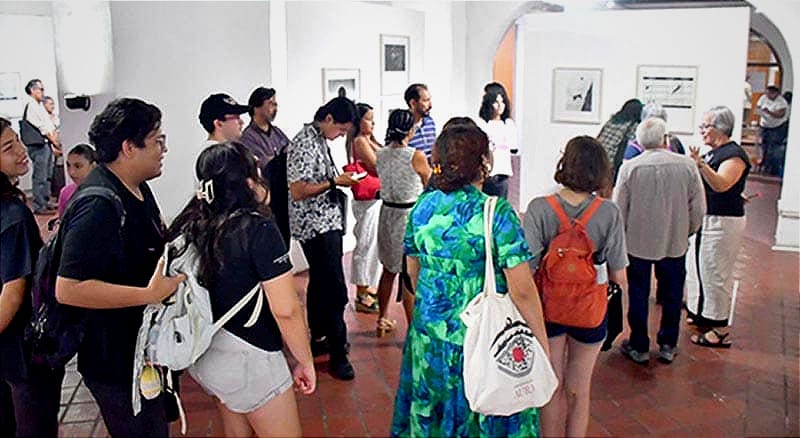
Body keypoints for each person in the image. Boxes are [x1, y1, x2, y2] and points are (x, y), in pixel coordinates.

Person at [391, 121, 549, 437]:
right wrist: (540, 344)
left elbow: (412, 270)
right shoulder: (495, 212)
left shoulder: (423, 206)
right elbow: (523, 291)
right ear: (483, 163)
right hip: (482, 338)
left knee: (435, 416)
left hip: (430, 336)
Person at [54, 98, 185, 435]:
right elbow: (68, 288)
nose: (163, 149)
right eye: (157, 140)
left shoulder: (137, 187)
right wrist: (148, 294)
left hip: (142, 351)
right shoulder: (98, 204)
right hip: (115, 359)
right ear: (129, 147)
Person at [169, 142, 315, 436]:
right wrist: (305, 361)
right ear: (248, 181)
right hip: (252, 359)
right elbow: (286, 310)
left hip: (208, 352)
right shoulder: (257, 229)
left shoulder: (191, 223)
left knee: (236, 430)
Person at [523, 136, 628, 437]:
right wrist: (627, 319)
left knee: (550, 386)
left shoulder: (540, 208)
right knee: (579, 391)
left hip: (548, 309)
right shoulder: (609, 213)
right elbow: (619, 275)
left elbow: (528, 269)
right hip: (590, 309)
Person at [613, 118, 706, 364]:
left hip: (637, 244)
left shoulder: (630, 168)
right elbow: (698, 208)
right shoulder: (687, 166)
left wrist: (620, 240)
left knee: (638, 293)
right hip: (674, 242)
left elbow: (618, 210)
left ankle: (639, 344)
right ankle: (667, 343)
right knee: (673, 294)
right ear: (666, 139)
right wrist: (687, 231)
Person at [286, 96, 360, 380]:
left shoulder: (318, 139)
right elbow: (298, 189)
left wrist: (337, 178)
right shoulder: (305, 142)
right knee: (335, 289)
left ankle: (319, 338)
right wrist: (334, 182)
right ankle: (338, 355)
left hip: (326, 221)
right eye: (340, 130)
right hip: (315, 225)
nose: (339, 135)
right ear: (328, 118)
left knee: (320, 281)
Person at [0, 117, 65, 436]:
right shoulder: (12, 215)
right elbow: (12, 294)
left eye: (18, 141)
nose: (22, 151)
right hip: (22, 349)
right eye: (8, 147)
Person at [686, 106, 751, 348]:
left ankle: (720, 328)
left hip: (723, 222)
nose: (702, 131)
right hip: (709, 218)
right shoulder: (716, 152)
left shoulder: (734, 155)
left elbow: (722, 184)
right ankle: (702, 312)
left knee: (715, 271)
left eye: (706, 127)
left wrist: (700, 164)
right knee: (699, 266)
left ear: (720, 129)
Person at [374, 109, 429, 335]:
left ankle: (382, 318)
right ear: (411, 129)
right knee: (409, 274)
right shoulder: (416, 155)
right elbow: (429, 184)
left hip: (387, 213)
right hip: (409, 216)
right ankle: (413, 329)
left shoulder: (381, 153)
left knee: (388, 269)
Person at [346, 103, 383, 314]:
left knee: (374, 246)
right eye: (369, 119)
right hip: (366, 201)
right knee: (366, 244)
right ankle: (361, 292)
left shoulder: (368, 140)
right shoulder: (360, 142)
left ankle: (370, 287)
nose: (373, 122)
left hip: (376, 200)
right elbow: (378, 166)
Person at [21, 79, 61, 214]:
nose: (43, 92)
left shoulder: (39, 106)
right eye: (41, 89)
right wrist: (55, 142)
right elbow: (42, 127)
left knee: (47, 174)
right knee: (40, 176)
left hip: (45, 144)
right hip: (38, 145)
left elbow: (49, 125)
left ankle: (45, 200)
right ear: (32, 90)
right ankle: (39, 205)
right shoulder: (32, 106)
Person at [478, 82, 518, 198]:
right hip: (487, 173)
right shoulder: (483, 124)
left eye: (502, 102)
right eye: (496, 102)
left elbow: (513, 147)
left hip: (503, 173)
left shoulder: (508, 124)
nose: (500, 106)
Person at [240, 86, 290, 172]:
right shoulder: (247, 137)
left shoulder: (277, 132)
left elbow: (293, 153)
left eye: (275, 105)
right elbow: (262, 163)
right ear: (256, 108)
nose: (275, 109)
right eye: (271, 104)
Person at [596, 98, 643, 188]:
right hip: (611, 162)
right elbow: (634, 144)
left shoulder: (612, 121)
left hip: (598, 157)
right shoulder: (633, 125)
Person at [755, 85, 789, 176]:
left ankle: (771, 169)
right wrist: (761, 111)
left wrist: (769, 112)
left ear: (776, 93)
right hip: (765, 126)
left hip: (777, 127)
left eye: (771, 93)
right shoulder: (763, 98)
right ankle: (764, 165)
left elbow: (780, 114)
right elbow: (757, 108)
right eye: (767, 93)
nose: (768, 95)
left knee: (773, 148)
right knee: (764, 147)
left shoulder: (781, 102)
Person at [57, 144, 98, 217]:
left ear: (93, 166)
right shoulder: (66, 192)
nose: (71, 172)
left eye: (78, 166)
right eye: (68, 166)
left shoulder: (103, 192)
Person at [404, 83, 436, 160]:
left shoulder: (430, 122)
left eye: (429, 100)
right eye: (426, 101)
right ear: (413, 103)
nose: (430, 105)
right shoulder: (402, 125)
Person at [43, 95, 66, 199]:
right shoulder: (43, 119)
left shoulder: (56, 117)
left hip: (61, 145)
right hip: (51, 147)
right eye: (50, 104)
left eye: (53, 104)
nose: (52, 106)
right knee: (51, 173)